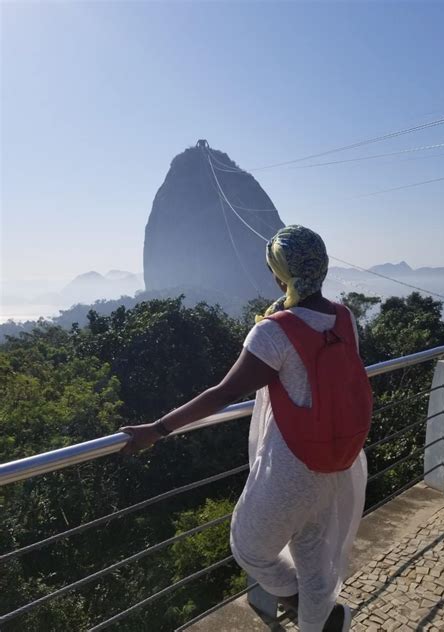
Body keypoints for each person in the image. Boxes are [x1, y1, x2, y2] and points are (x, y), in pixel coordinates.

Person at [121, 225, 369, 632]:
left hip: (292, 465)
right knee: (311, 554)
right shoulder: (344, 318)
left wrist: (159, 428)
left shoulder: (275, 331)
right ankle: (322, 621)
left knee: (250, 547)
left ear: (281, 274)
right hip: (338, 461)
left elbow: (223, 393)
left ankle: (324, 619)